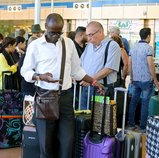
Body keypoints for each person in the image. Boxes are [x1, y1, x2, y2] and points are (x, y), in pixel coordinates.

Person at [21, 13, 103, 158]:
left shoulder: (68, 43)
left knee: (68, 142)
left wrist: (94, 82)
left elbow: (77, 71)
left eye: (59, 32)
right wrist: (40, 76)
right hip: (45, 98)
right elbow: (25, 71)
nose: (56, 36)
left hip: (65, 98)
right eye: (53, 32)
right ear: (45, 27)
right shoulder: (35, 46)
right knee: (46, 145)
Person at [80, 21, 121, 110]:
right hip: (86, 88)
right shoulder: (89, 46)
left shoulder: (112, 46)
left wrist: (90, 80)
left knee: (99, 120)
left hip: (102, 89)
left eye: (91, 35)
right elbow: (81, 63)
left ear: (100, 32)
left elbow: (108, 69)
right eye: (87, 35)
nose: (88, 38)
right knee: (83, 117)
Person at [128, 28, 159, 133]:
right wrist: (155, 79)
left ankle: (131, 125)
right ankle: (142, 127)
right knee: (145, 103)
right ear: (148, 36)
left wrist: (131, 78)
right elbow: (150, 64)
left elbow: (130, 64)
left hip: (135, 80)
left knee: (133, 102)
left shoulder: (133, 48)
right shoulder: (148, 48)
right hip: (146, 80)